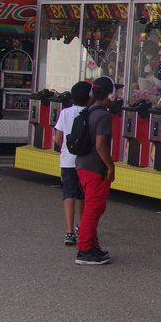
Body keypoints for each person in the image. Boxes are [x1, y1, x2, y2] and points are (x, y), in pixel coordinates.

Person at [74, 76, 116, 265]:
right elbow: (100, 145)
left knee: (94, 208)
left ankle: (92, 245)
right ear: (110, 95)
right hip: (95, 169)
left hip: (82, 165)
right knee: (92, 210)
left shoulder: (88, 111)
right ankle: (84, 250)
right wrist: (110, 166)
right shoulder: (104, 116)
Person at [52, 80, 90, 245]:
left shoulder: (65, 112)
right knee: (82, 196)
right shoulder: (90, 113)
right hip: (85, 161)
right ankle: (82, 227)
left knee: (69, 195)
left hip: (67, 161)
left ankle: (69, 232)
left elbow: (58, 139)